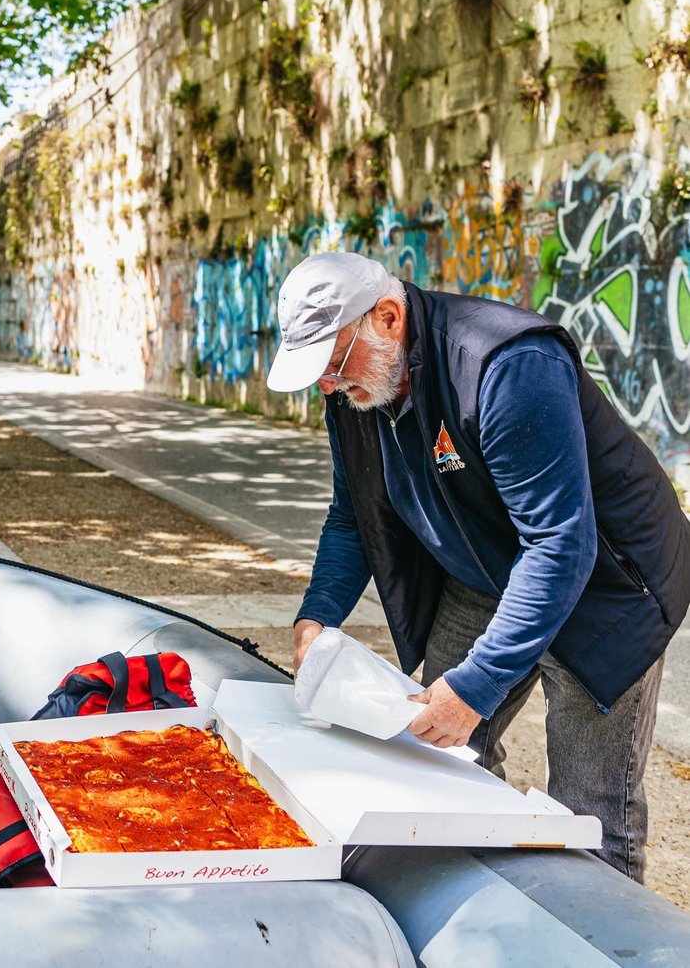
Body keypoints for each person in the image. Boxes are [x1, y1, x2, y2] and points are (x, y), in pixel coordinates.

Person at [266, 250, 690, 881]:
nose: (327, 386)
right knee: (428, 753)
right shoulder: (357, 390)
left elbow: (558, 544)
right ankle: (484, 916)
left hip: (606, 586)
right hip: (485, 573)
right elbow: (351, 517)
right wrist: (318, 615)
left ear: (385, 317)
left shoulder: (507, 365)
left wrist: (478, 684)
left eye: (331, 365)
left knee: (592, 809)